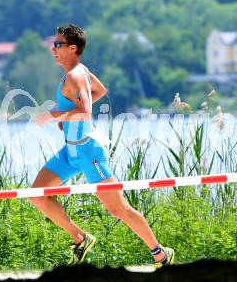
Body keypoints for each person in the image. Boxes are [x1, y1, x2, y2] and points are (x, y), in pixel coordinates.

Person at [32, 24, 174, 268]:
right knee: (38, 194)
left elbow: (85, 112)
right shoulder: (80, 72)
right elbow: (100, 90)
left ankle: (160, 253)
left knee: (119, 209)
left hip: (89, 152)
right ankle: (80, 238)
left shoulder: (76, 76)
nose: (52, 48)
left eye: (57, 44)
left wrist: (54, 115)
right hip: (70, 151)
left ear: (72, 48)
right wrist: (66, 116)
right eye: (53, 44)